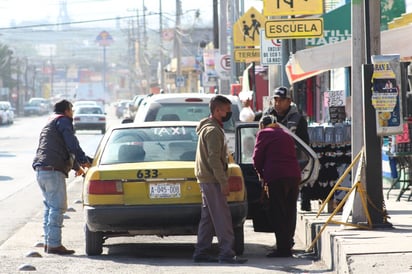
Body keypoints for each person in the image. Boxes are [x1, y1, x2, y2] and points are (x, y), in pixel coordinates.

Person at [193, 95, 247, 264]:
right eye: (227, 111)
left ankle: (201, 252)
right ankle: (226, 254)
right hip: (212, 180)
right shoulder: (213, 131)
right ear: (217, 111)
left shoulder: (211, 128)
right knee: (222, 217)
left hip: (207, 178)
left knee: (208, 218)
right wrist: (223, 182)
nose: (229, 114)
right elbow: (214, 159)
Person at [33, 99, 91, 255]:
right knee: (58, 207)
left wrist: (77, 166)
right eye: (71, 109)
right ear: (66, 110)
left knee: (50, 207)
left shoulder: (50, 122)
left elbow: (60, 148)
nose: (73, 113)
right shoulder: (64, 121)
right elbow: (71, 144)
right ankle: (54, 244)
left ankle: (48, 242)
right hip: (53, 171)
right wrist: (84, 160)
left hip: (41, 170)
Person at [252, 115, 301, 258]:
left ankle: (283, 249)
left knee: (278, 211)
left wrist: (261, 174)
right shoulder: (285, 134)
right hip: (294, 176)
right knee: (290, 211)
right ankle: (288, 242)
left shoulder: (263, 133)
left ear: (262, 125)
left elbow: (256, 158)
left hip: (277, 177)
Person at [264, 86, 312, 211]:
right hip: (272, 162)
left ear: (289, 101)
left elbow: (304, 145)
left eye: (281, 100)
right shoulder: (267, 116)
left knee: (290, 203)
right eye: (275, 100)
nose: (277, 103)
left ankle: (305, 202)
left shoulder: (298, 119)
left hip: (291, 161)